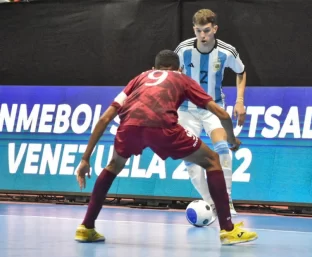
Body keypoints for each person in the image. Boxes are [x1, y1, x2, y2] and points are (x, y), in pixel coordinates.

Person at [74, 50, 257, 245]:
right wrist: (232, 140)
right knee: (212, 160)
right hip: (162, 127)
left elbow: (105, 118)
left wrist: (85, 159)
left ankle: (86, 227)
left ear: (154, 69)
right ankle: (228, 230)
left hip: (129, 127)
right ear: (179, 69)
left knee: (113, 166)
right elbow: (223, 114)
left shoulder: (140, 77)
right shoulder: (181, 78)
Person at [174, 9, 247, 220]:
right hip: (187, 110)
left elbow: (241, 72)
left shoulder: (227, 51)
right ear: (193, 30)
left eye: (206, 30)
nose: (203, 36)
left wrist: (240, 101)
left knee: (222, 147)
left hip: (213, 108)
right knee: (189, 156)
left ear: (215, 29)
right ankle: (212, 203)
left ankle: (227, 201)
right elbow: (173, 73)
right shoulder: (183, 49)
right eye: (198, 31)